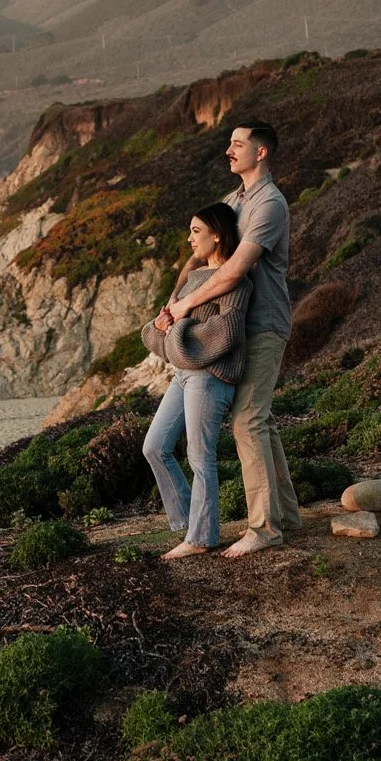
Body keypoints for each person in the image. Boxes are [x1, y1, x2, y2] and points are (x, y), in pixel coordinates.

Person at [160, 120, 302, 557]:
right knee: (261, 420)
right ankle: (287, 516)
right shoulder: (232, 200)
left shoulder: (269, 204)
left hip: (262, 325)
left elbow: (236, 269)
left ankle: (265, 529)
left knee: (248, 420)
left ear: (261, 152)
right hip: (233, 326)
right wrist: (174, 300)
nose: (229, 150)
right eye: (229, 144)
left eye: (238, 144)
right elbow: (201, 254)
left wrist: (187, 305)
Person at [139, 204, 250, 559]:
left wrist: (177, 329)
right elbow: (162, 338)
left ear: (217, 235)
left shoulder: (235, 280)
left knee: (200, 457)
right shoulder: (193, 278)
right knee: (154, 446)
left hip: (211, 377)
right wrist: (162, 327)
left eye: (196, 231)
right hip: (184, 374)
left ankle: (201, 537)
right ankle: (191, 524)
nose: (189, 238)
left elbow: (227, 330)